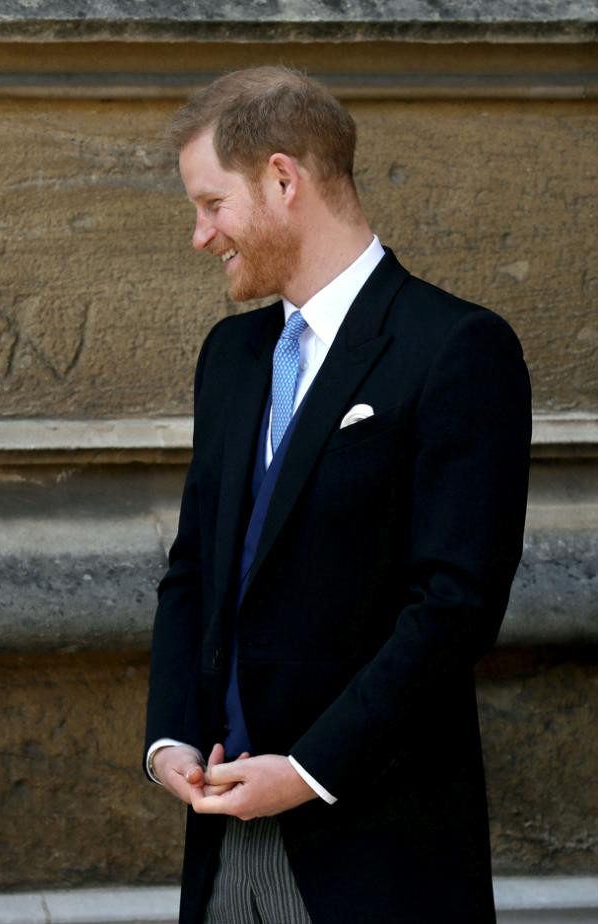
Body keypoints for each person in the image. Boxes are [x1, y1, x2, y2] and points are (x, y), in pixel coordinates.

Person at [143, 66, 531, 923]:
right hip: (221, 851)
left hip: (376, 854)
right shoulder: (232, 358)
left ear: (284, 179)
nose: (200, 235)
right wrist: (168, 736)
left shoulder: (457, 349)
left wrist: (309, 771)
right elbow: (196, 567)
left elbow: (454, 609)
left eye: (212, 204)